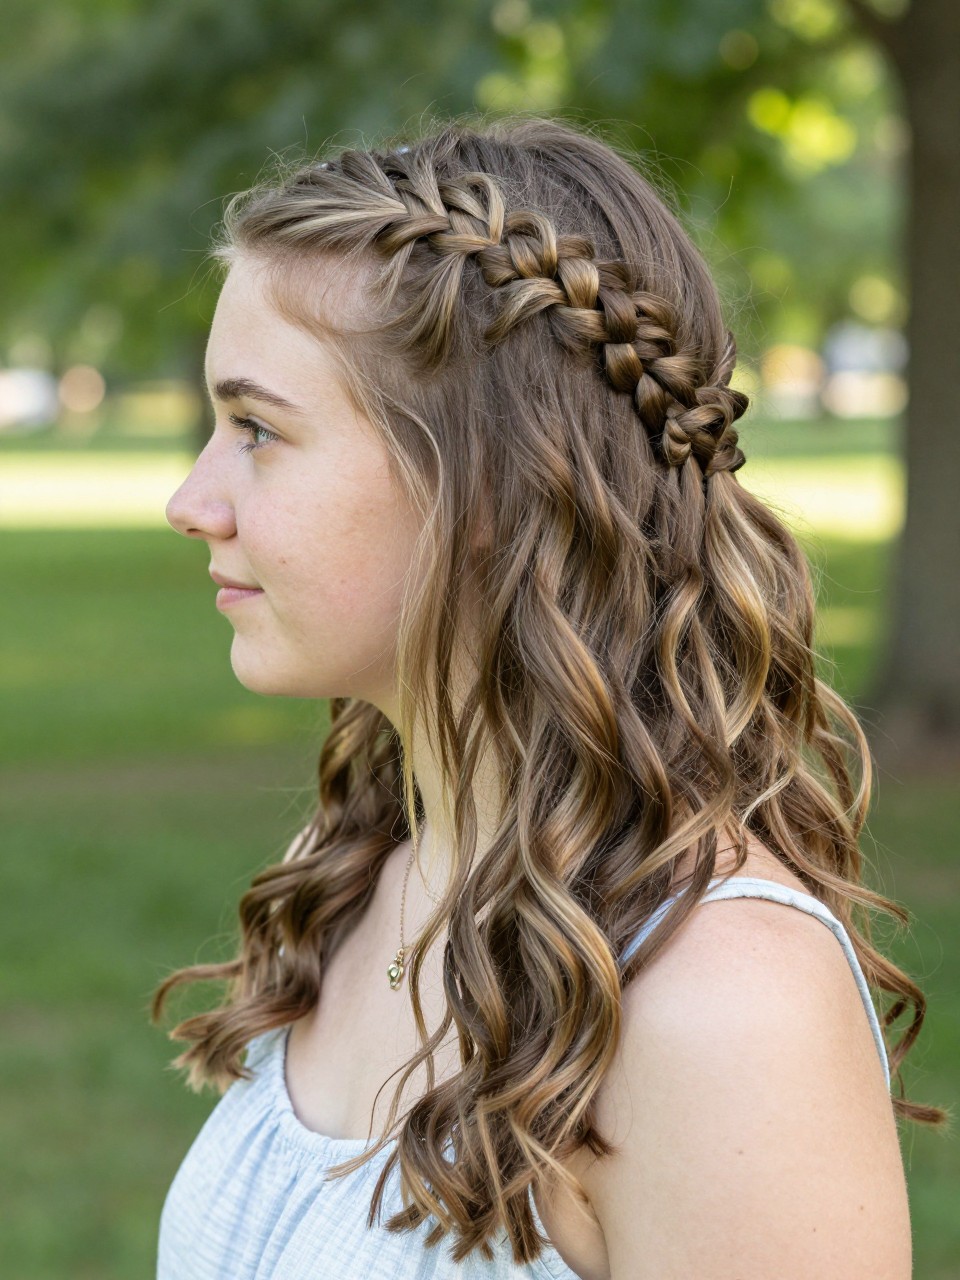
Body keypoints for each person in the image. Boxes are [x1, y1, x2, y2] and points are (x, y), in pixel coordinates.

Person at [155, 113, 936, 1279]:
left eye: (258, 428)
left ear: (487, 480)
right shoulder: (368, 861)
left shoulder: (722, 1005)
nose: (190, 500)